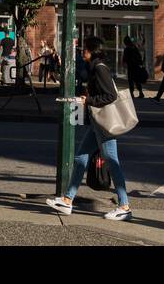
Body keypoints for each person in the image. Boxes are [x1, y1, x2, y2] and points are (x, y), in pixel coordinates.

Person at [46, 35, 132, 222]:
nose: (82, 52)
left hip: (104, 123)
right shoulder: (95, 69)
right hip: (97, 122)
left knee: (112, 161)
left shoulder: (100, 69)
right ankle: (68, 200)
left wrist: (89, 100)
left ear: (92, 51)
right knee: (81, 158)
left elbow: (110, 95)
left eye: (85, 49)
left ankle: (124, 206)